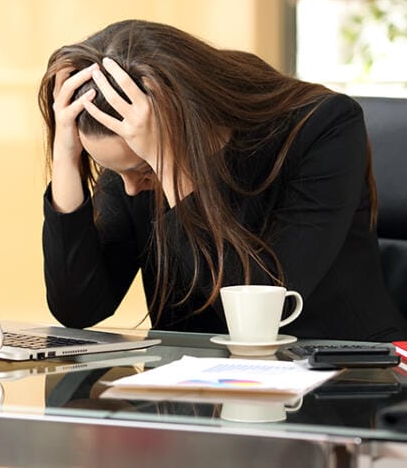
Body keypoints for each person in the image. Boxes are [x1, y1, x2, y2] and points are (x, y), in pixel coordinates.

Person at [37, 19, 407, 341]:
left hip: (338, 373)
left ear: (186, 124)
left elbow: (260, 307)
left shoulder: (323, 127)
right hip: (194, 380)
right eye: (117, 173)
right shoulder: (133, 147)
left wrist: (171, 168)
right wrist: (66, 158)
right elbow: (79, 309)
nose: (131, 189)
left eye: (142, 171)